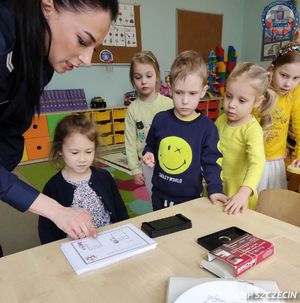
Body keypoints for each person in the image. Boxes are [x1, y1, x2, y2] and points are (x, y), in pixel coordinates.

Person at [0, 0, 118, 240]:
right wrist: (54, 209)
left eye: (93, 48)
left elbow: (12, 126)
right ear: (48, 6)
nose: (87, 60)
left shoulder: (44, 64)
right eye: (83, 41)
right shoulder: (5, 32)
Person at [142, 50, 227, 210]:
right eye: (179, 92)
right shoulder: (160, 119)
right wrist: (148, 153)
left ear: (203, 91)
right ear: (170, 87)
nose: (185, 101)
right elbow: (151, 145)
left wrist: (215, 189)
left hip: (190, 199)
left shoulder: (207, 128)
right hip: (159, 195)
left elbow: (212, 163)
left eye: (193, 93)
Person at [38, 114, 129, 244]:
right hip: (75, 244)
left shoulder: (104, 176)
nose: (82, 159)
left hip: (109, 237)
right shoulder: (53, 186)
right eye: (74, 153)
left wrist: (125, 231)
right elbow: (46, 229)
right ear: (60, 150)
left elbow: (120, 209)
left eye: (88, 152)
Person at [215, 63, 275, 215]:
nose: (232, 105)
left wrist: (244, 192)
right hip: (216, 188)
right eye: (228, 96)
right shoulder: (221, 120)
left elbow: (257, 163)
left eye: (242, 101)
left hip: (238, 196)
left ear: (257, 101)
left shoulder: (252, 129)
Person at [124, 51, 173, 199]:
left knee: (172, 194)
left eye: (149, 76)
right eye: (138, 77)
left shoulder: (168, 103)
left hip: (170, 159)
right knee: (155, 197)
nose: (143, 81)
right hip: (146, 164)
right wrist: (135, 169)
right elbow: (130, 141)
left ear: (157, 76)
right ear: (133, 79)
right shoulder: (132, 109)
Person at [256, 40, 300, 191]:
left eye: (296, 78)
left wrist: (299, 154)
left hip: (276, 159)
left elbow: (299, 125)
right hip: (254, 157)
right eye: (284, 75)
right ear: (272, 70)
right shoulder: (259, 90)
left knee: (272, 200)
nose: (288, 84)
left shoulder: (294, 93)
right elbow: (249, 125)